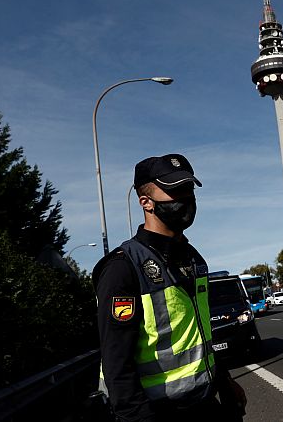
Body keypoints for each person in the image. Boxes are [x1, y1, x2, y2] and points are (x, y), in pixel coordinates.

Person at [93, 154, 246, 421]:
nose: (186, 198)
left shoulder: (194, 259)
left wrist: (225, 382)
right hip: (157, 412)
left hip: (205, 402)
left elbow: (200, 335)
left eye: (188, 189)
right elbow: (117, 366)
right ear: (146, 202)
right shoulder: (123, 268)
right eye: (175, 191)